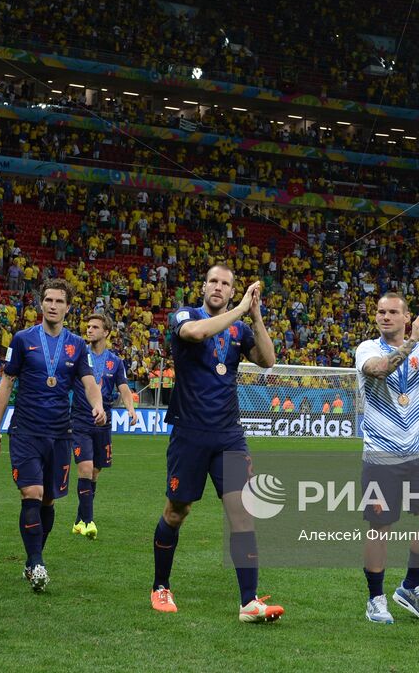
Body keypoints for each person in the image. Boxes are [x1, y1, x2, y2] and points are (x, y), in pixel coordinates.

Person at [149, 264, 283, 623]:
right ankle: (160, 585)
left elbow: (268, 361)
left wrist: (255, 317)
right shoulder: (184, 315)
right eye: (214, 281)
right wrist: (240, 309)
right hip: (189, 433)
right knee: (177, 511)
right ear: (204, 286)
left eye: (226, 283)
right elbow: (194, 333)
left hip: (229, 434)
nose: (219, 287)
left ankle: (249, 602)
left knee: (242, 514)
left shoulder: (241, 328)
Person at [0, 279, 105, 593]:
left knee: (49, 499)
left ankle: (34, 558)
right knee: (33, 493)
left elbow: (89, 381)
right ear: (41, 303)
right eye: (48, 300)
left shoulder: (77, 345)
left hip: (60, 433)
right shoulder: (23, 339)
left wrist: (97, 405)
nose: (52, 306)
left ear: (68, 307)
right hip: (26, 430)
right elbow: (7, 383)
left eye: (59, 301)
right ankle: (37, 561)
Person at [355, 294, 419, 624]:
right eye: (380, 312)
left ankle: (410, 588)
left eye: (392, 312)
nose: (385, 317)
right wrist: (414, 339)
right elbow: (381, 370)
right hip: (381, 455)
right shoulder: (367, 349)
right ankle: (375, 598)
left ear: (406, 317)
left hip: (418, 455)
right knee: (380, 527)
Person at [72, 312, 141, 539]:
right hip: (81, 418)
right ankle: (89, 521)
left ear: (106, 332)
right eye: (88, 326)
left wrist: (130, 408)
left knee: (94, 472)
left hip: (104, 421)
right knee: (85, 467)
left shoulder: (115, 361)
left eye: (94, 327)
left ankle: (79, 519)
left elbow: (122, 387)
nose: (89, 330)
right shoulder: (80, 355)